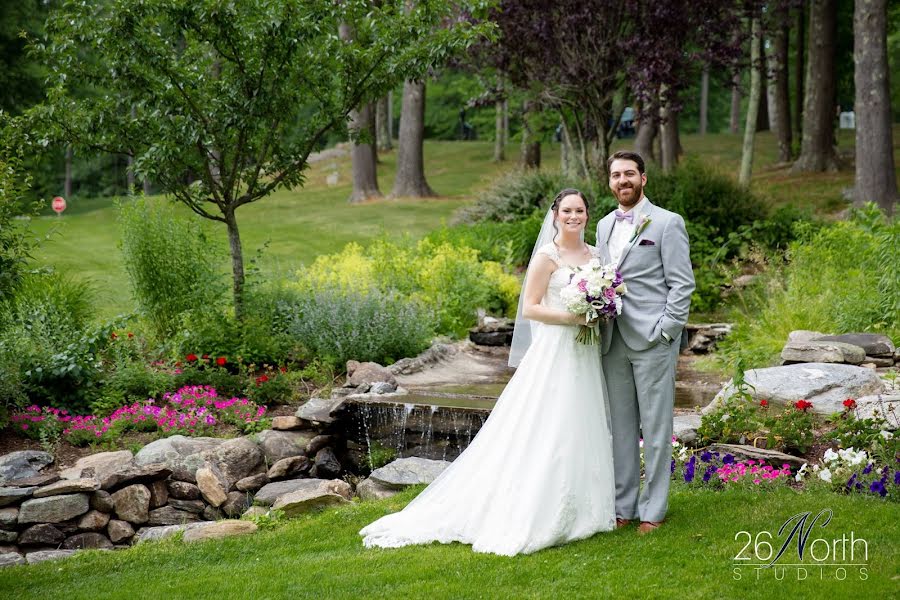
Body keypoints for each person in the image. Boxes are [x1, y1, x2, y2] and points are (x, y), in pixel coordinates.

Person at [359, 189, 616, 556]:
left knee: (581, 420)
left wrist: (598, 309)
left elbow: (603, 296)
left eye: (580, 210)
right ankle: (538, 506)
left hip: (584, 352)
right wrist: (575, 316)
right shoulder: (547, 257)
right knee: (550, 422)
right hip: (556, 350)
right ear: (556, 215)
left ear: (587, 215)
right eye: (567, 211)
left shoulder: (594, 256)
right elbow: (530, 309)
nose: (573, 216)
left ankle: (586, 508)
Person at [596, 151, 695, 535]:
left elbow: (682, 283)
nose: (623, 180)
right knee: (620, 429)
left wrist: (667, 331)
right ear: (610, 181)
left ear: (643, 179)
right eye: (616, 175)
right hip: (613, 340)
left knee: (655, 428)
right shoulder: (603, 225)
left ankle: (653, 509)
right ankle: (623, 507)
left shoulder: (668, 223)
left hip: (653, 340)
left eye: (630, 174)